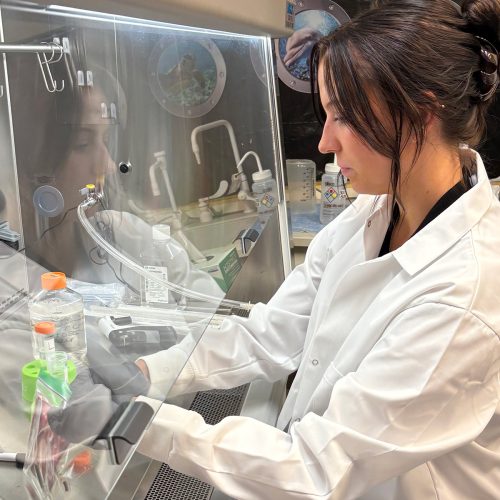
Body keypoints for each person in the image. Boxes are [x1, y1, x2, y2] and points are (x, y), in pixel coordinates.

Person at [134, 0, 500, 498]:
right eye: (325, 114)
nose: (325, 142)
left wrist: (140, 422)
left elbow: (316, 467)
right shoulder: (373, 209)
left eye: (343, 116)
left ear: (421, 113)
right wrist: (148, 373)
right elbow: (274, 333)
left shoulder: (465, 295)